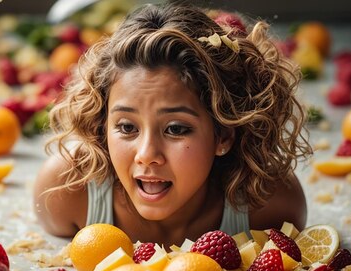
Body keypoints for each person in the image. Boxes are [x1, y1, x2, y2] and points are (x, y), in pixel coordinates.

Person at [33, 2, 312, 247]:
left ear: (223, 134)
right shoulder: (65, 194)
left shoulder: (272, 208)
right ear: (103, 125)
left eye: (176, 129)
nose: (147, 154)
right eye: (127, 127)